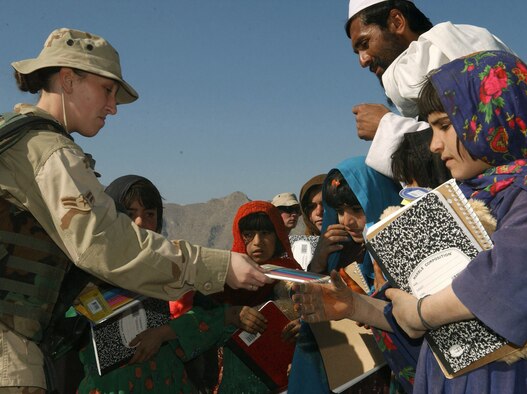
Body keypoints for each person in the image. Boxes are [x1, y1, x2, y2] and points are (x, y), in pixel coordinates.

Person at [0, 28, 269, 393]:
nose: (112, 107)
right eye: (106, 90)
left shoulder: (16, 139)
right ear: (67, 80)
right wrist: (219, 266)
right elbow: (107, 245)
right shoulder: (50, 151)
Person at [293, 51, 527, 393]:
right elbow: (413, 309)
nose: (434, 144)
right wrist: (353, 305)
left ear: (493, 115)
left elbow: (496, 283)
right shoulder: (464, 196)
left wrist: (422, 313)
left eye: (444, 125)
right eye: (431, 128)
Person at [345, 0, 527, 178]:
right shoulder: (418, 84)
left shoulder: (453, 44)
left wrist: (387, 129)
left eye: (365, 43)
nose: (363, 61)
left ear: (397, 22)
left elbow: (485, 147)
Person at [78, 175, 233, 393]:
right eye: (130, 215)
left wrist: (164, 333)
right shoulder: (87, 270)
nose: (141, 222)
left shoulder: (173, 273)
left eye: (149, 214)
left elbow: (208, 319)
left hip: (166, 382)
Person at [288, 156, 403, 393]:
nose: (347, 221)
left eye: (356, 209)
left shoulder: (404, 253)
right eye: (339, 211)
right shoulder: (340, 251)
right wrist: (319, 262)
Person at [213, 201, 303, 393]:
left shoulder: (294, 275)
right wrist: (230, 314)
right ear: (239, 237)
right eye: (248, 234)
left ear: (278, 235)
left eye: (265, 233)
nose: (257, 242)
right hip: (235, 379)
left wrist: (307, 325)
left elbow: (322, 318)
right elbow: (200, 320)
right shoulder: (223, 280)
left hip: (286, 379)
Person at [289, 174, 326, 270]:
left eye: (325, 204)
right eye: (311, 207)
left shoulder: (358, 243)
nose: (318, 212)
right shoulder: (296, 247)